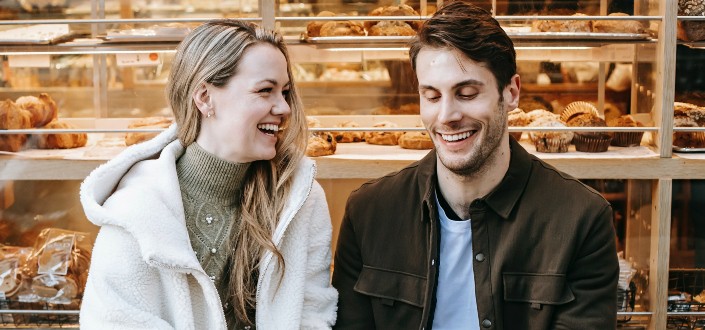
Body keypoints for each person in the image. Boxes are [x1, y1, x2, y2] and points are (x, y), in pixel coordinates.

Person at [332, 2, 619, 329]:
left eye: (466, 93)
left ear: (511, 92)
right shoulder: (369, 213)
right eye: (432, 96)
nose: (447, 117)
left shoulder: (581, 219)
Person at [79, 19, 338, 329]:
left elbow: (312, 313)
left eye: (285, 92)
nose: (283, 108)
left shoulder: (301, 199)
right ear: (204, 97)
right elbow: (115, 322)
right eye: (265, 90)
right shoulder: (138, 210)